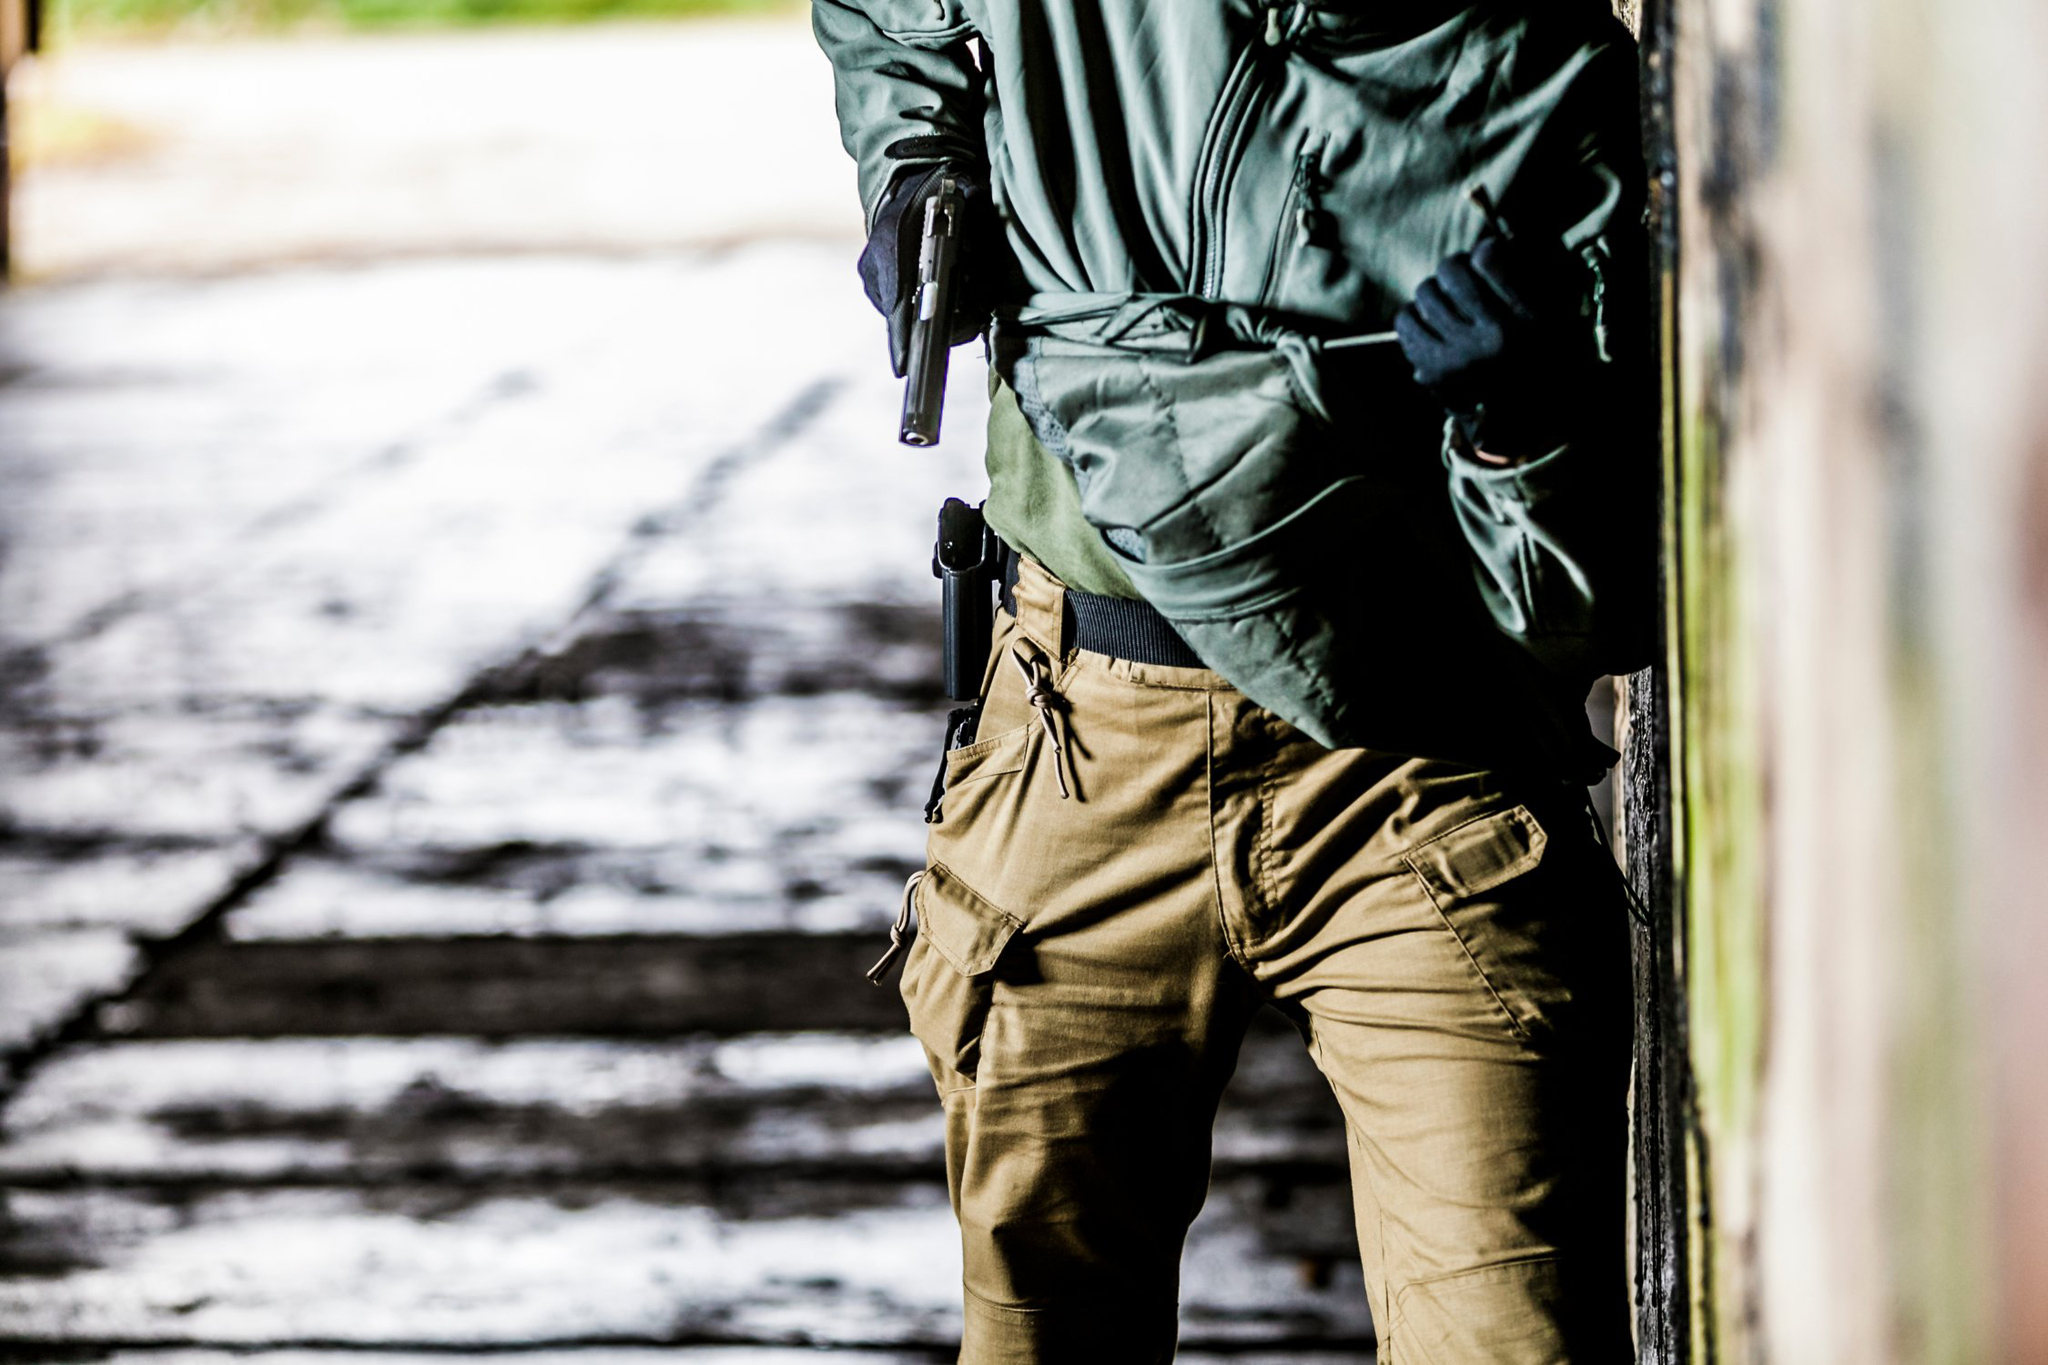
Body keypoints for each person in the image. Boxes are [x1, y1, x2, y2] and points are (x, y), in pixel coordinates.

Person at [814, 2, 1656, 1361]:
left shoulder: (1528, 72)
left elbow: (1599, 607)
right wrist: (916, 163)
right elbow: (881, 20)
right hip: (1080, 740)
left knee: (1513, 1337)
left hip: (1421, 767)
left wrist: (1522, 428)